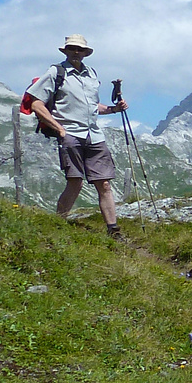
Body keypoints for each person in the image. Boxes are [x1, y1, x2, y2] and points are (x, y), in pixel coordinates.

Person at [26, 35, 129, 238]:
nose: (76, 52)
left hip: (94, 134)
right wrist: (60, 129)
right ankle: (57, 224)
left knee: (105, 183)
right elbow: (36, 104)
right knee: (75, 181)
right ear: (65, 51)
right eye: (72, 48)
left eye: (80, 49)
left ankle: (113, 230)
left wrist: (113, 109)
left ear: (85, 53)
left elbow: (92, 105)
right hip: (71, 133)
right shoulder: (56, 72)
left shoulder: (91, 74)